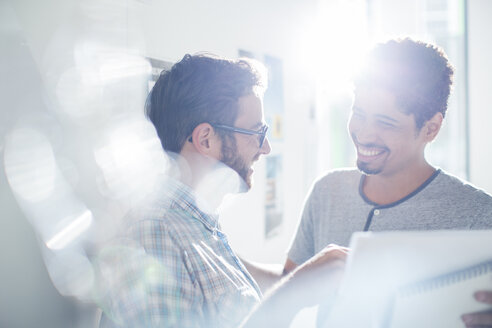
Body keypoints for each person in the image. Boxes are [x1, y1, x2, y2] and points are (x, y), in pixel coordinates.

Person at [244, 38, 492, 326]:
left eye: (386, 123)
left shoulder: (478, 215)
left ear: (431, 128)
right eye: (358, 114)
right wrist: (217, 248)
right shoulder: (327, 191)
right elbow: (289, 282)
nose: (364, 133)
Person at [96, 53, 273, 328]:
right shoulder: (156, 233)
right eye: (256, 132)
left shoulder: (195, 225)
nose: (265, 148)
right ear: (205, 139)